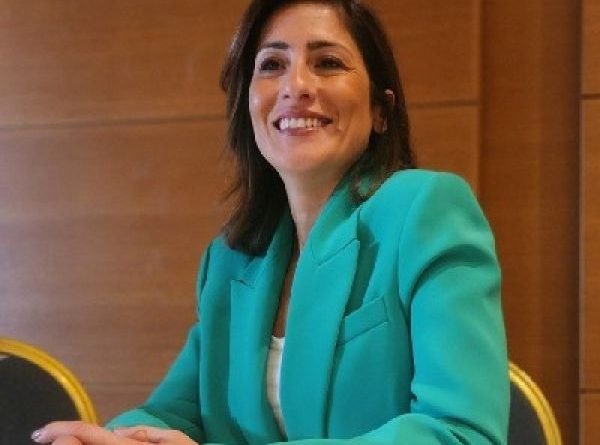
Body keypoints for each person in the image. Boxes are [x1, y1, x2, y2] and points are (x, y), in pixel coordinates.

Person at [32, 0, 509, 444]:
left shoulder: (427, 211)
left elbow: (461, 432)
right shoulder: (231, 260)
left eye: (328, 63)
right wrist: (108, 440)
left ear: (381, 110)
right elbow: (174, 414)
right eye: (272, 65)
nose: (296, 86)